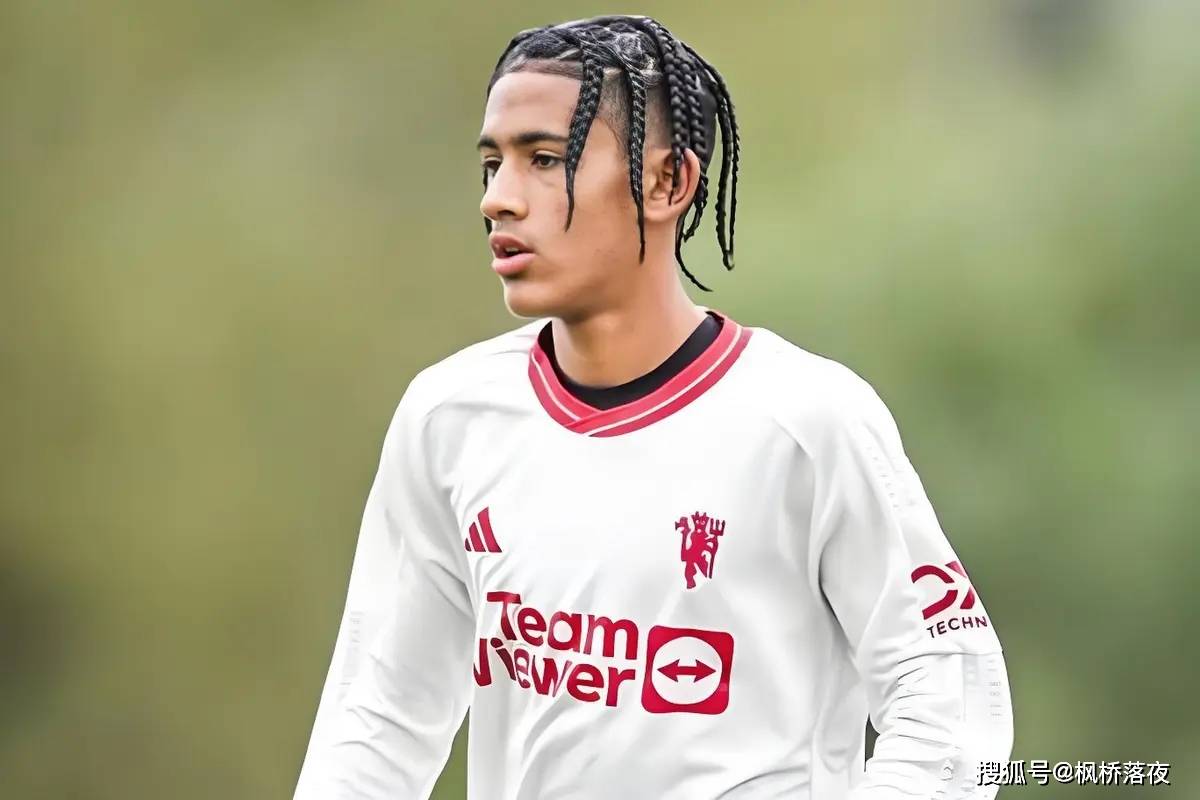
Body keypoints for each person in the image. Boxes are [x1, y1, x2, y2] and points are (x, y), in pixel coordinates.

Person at [293, 14, 1013, 799]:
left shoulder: (808, 421)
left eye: (544, 159)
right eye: (492, 164)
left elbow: (952, 703)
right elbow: (377, 720)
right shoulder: (449, 418)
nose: (499, 199)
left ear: (669, 182)